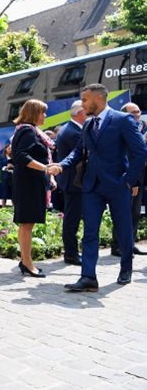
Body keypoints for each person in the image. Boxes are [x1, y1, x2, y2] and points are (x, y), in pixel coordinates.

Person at [49, 84, 147, 291]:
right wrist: (61, 165)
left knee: (123, 229)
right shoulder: (87, 124)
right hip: (92, 186)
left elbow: (140, 152)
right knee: (90, 232)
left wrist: (128, 180)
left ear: (99, 98)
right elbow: (78, 152)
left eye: (85, 100)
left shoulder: (123, 120)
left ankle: (125, 270)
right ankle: (88, 277)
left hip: (118, 185)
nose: (82, 105)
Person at [12, 99, 56, 278]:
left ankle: (25, 260)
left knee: (26, 223)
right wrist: (46, 169)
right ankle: (28, 264)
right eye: (42, 112)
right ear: (33, 113)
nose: (45, 115)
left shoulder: (30, 131)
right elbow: (21, 156)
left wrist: (48, 175)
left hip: (29, 183)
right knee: (27, 224)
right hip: (28, 184)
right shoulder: (28, 131)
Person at [110, 102, 147, 257]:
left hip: (139, 178)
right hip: (128, 180)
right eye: (133, 112)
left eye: (138, 112)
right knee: (123, 213)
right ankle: (118, 246)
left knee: (135, 213)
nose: (137, 114)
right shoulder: (121, 130)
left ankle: (130, 244)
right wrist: (133, 181)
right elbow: (126, 158)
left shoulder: (139, 129)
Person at [54, 101, 87, 265]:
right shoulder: (73, 132)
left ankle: (72, 253)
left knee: (72, 218)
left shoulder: (70, 129)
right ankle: (71, 254)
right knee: (72, 220)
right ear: (80, 112)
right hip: (74, 182)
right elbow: (82, 156)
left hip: (72, 181)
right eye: (86, 110)